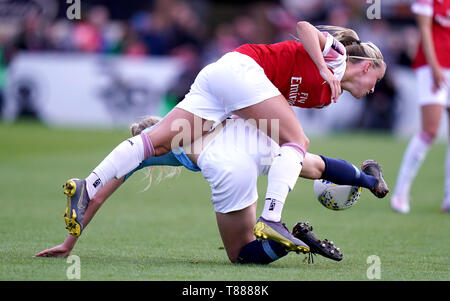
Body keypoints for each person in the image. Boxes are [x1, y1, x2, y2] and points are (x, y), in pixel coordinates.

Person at [61, 21, 387, 250]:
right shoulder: (338, 59)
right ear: (367, 66)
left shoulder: (325, 97)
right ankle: (272, 218)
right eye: (376, 80)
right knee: (298, 144)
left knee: (154, 141)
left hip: (223, 81)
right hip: (241, 68)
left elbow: (262, 103)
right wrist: (322, 65)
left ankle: (86, 185)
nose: (374, 89)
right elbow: (304, 26)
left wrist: (69, 242)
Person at [37, 116, 388, 264]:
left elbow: (96, 196)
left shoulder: (149, 149)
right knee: (312, 164)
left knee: (241, 253)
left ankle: (290, 238)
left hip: (229, 167)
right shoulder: (190, 117)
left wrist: (70, 243)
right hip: (253, 139)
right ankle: (371, 179)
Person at [391, 0, 450, 214]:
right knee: (430, 130)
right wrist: (435, 67)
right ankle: (400, 193)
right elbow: (424, 30)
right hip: (432, 66)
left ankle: (448, 196)